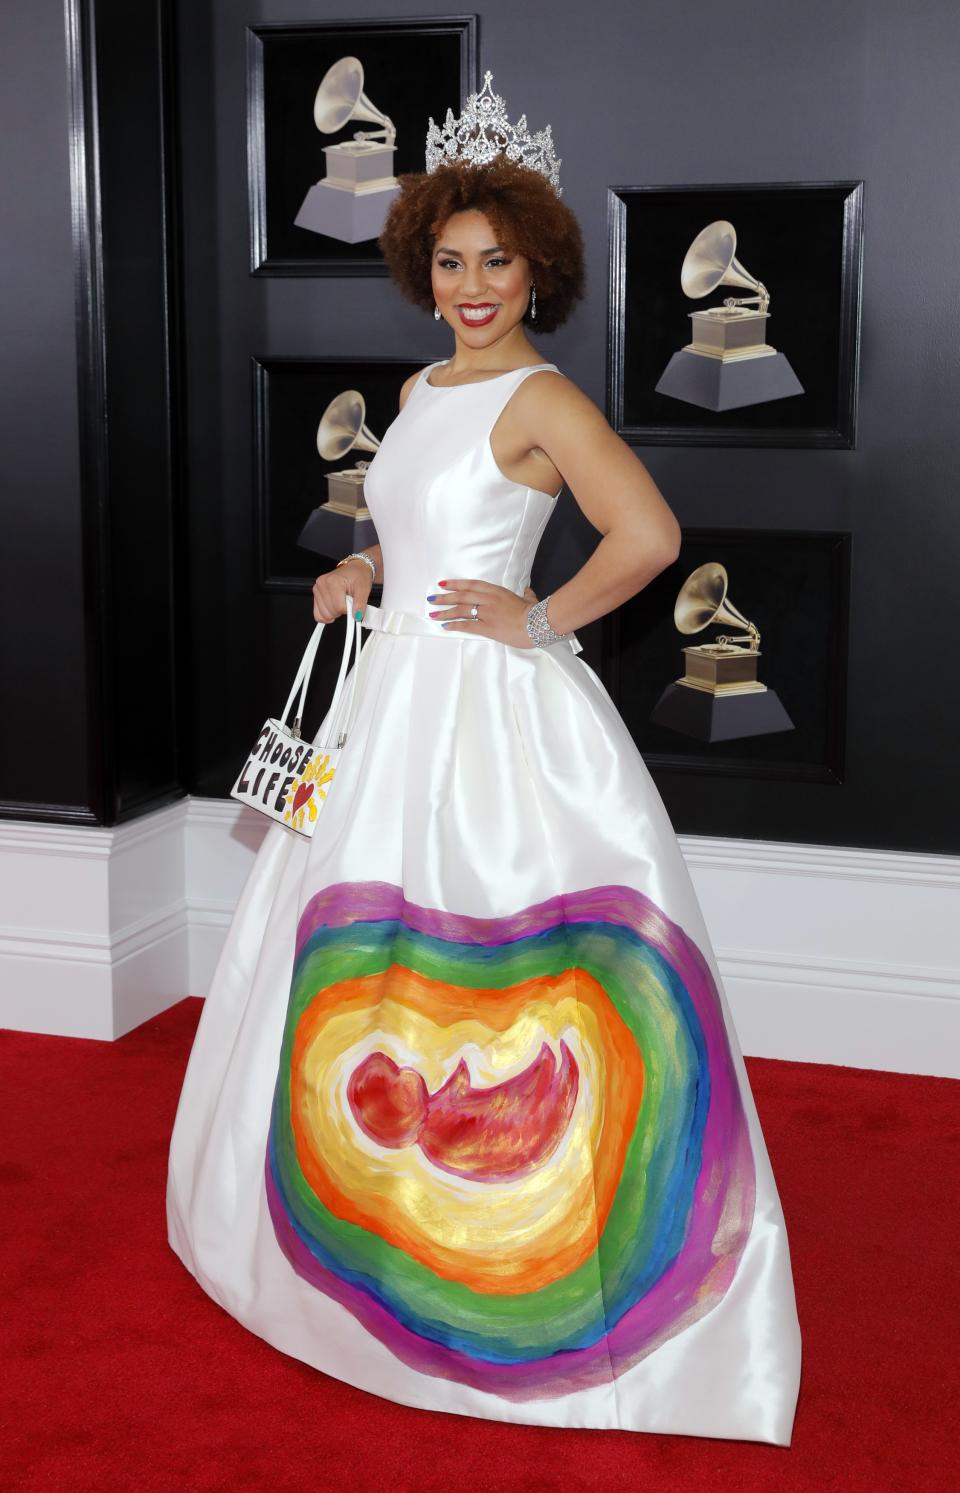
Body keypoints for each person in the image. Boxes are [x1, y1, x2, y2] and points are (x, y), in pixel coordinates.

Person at [167, 74, 802, 1445]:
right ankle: (348, 1237)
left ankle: (507, 1262)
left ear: (537, 266)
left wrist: (539, 617)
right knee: (359, 954)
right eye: (449, 261)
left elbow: (647, 536)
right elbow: (422, 515)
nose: (471, 285)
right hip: (388, 696)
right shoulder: (422, 386)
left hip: (488, 721)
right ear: (422, 265)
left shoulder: (544, 394)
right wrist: (364, 565)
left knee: (489, 969)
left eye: (495, 261)